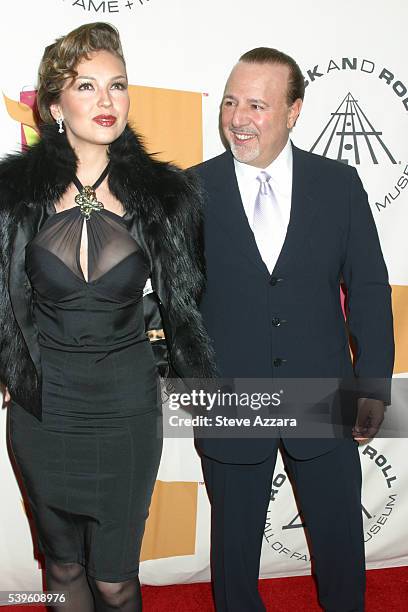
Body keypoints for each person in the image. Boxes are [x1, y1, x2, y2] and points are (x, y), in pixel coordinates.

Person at [0, 22, 215, 612]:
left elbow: (185, 304)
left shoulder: (165, 196)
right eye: (86, 86)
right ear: (52, 104)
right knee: (63, 568)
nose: (105, 101)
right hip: (44, 410)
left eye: (117, 86)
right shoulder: (13, 196)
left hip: (126, 411)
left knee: (117, 580)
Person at [193, 48, 394, 612]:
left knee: (340, 551)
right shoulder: (190, 191)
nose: (238, 118)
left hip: (325, 394)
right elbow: (175, 301)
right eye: (231, 101)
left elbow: (370, 288)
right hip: (232, 398)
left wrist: (373, 384)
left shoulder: (339, 184)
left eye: (256, 104)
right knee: (232, 564)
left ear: (294, 110)